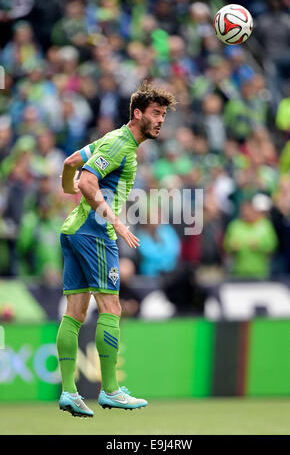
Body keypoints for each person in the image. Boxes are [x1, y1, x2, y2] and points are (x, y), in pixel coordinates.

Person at [57, 80, 176, 417]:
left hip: (74, 231)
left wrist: (68, 191)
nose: (160, 120)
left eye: (163, 115)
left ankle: (69, 393)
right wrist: (117, 222)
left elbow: (70, 165)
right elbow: (88, 181)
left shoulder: (109, 140)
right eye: (155, 113)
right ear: (137, 113)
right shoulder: (119, 145)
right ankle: (110, 391)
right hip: (95, 233)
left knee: (76, 313)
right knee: (111, 308)